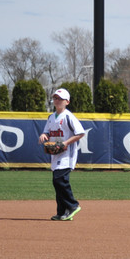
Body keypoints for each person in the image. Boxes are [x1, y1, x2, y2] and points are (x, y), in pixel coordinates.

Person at [38, 88, 86, 221]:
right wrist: (44, 135)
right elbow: (47, 131)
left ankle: (73, 205)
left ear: (67, 102)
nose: (57, 101)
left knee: (59, 180)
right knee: (57, 182)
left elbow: (80, 133)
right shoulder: (51, 117)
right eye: (55, 98)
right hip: (56, 154)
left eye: (60, 99)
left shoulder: (68, 116)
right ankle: (61, 212)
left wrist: (65, 143)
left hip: (67, 155)